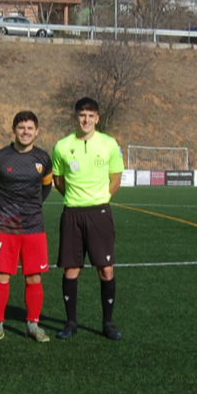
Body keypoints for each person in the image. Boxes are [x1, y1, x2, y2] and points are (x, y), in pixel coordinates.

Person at [51, 97, 124, 341]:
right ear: (75, 117)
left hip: (99, 213)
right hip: (72, 213)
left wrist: (100, 199)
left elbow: (116, 179)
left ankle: (108, 323)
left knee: (106, 269)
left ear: (97, 118)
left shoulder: (109, 144)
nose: (86, 119)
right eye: (82, 115)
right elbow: (58, 181)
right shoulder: (62, 146)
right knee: (71, 269)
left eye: (91, 115)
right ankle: (70, 323)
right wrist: (76, 199)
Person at [0, 111, 53, 343]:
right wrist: (3, 207)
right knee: (1, 276)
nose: (25, 132)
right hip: (5, 226)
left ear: (37, 131)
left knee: (34, 277)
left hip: (34, 226)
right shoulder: (0, 157)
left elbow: (47, 186)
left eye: (30, 128)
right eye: (21, 128)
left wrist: (35, 205)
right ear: (14, 130)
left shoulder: (43, 158)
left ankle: (33, 324)